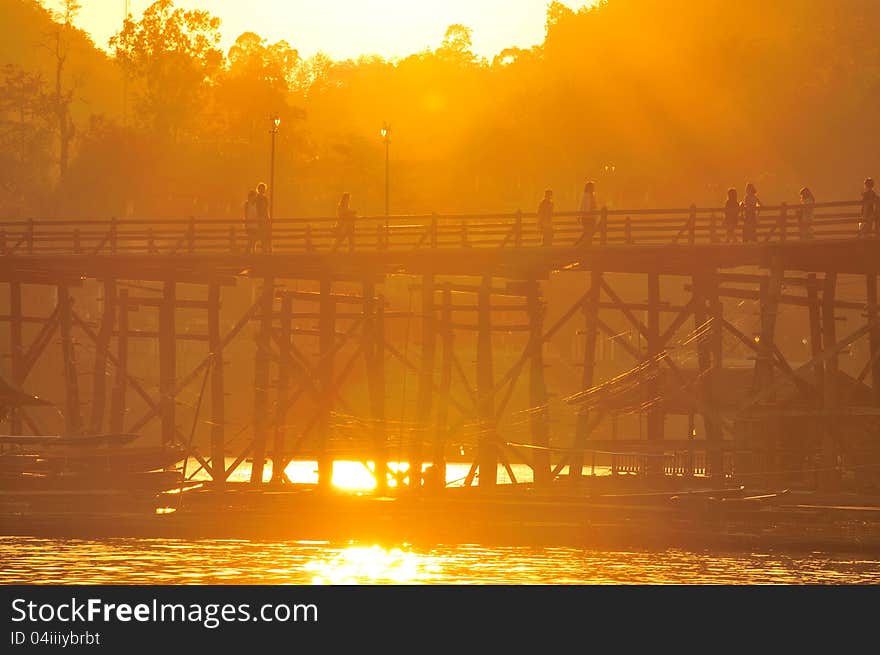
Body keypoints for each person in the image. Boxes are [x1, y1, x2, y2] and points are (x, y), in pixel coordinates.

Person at [576, 181, 597, 246]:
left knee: (589, 232)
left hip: (591, 216)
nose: (593, 189)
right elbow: (582, 206)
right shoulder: (585, 196)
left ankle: (585, 244)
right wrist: (579, 216)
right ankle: (579, 244)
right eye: (592, 187)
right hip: (586, 217)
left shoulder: (592, 196)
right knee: (588, 232)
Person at [254, 182, 271, 253]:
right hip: (259, 218)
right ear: (258, 189)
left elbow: (266, 209)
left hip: (264, 218)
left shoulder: (265, 198)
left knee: (265, 233)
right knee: (258, 234)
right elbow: (256, 208)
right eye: (261, 189)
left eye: (263, 189)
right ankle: (254, 249)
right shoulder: (256, 198)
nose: (262, 190)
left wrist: (267, 217)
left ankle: (265, 248)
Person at [243, 189, 259, 253]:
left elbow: (257, 214)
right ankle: (248, 250)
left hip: (255, 224)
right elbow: (246, 214)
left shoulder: (255, 205)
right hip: (249, 224)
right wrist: (246, 223)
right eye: (253, 196)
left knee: (254, 239)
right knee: (250, 238)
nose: (254, 198)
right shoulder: (247, 204)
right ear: (250, 197)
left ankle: (252, 250)